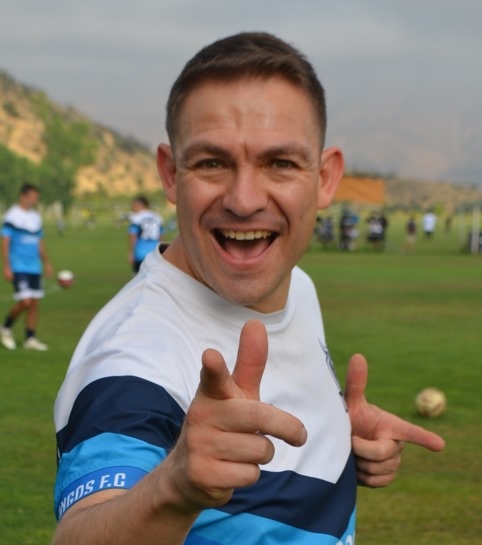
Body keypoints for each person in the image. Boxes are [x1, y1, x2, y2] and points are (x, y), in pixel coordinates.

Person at [52, 32, 444, 545]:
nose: (244, 200)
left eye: (280, 163)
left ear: (325, 178)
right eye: (212, 163)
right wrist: (173, 487)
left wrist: (337, 442)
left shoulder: (295, 286)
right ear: (170, 174)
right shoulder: (133, 362)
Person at [1, 183, 53, 351]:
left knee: (34, 302)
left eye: (36, 198)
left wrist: (46, 262)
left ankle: (30, 338)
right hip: (18, 265)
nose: (34, 201)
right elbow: (5, 242)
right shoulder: (12, 215)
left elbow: (39, 242)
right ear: (23, 196)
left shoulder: (35, 217)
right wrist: (7, 266)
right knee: (25, 301)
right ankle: (5, 327)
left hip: (34, 266)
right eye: (32, 197)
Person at [128, 195, 164, 273]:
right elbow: (161, 236)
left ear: (140, 205)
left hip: (140, 253)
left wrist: (131, 252)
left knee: (138, 276)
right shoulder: (157, 217)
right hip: (154, 253)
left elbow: (133, 235)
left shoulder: (136, 218)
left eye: (134, 205)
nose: (133, 208)